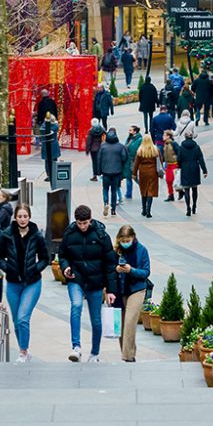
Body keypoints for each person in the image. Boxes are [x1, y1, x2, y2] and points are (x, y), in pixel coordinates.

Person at [59, 205, 119, 362]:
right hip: (76, 278)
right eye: (79, 223)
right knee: (76, 305)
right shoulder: (70, 233)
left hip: (96, 281)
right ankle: (76, 347)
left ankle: (95, 352)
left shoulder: (101, 235)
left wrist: (111, 290)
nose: (82, 226)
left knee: (96, 319)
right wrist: (65, 268)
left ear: (90, 220)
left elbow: (110, 263)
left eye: (85, 223)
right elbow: (62, 254)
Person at [0, 204, 49, 362]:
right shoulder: (6, 235)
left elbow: (46, 258)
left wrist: (35, 269)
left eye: (25, 216)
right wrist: (8, 269)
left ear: (29, 217)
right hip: (13, 283)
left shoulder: (37, 235)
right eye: (20, 216)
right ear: (15, 218)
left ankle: (23, 352)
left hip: (32, 283)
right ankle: (23, 349)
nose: (23, 219)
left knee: (23, 317)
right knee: (16, 321)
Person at [115, 224, 151, 362]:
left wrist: (131, 270)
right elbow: (108, 267)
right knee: (121, 324)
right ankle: (127, 351)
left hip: (137, 288)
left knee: (130, 321)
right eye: (122, 241)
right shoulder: (116, 251)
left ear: (133, 237)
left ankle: (128, 356)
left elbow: (146, 271)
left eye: (127, 240)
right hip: (120, 289)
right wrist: (116, 269)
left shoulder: (141, 250)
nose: (125, 243)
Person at [99, 127, 129, 217]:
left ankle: (105, 203)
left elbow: (98, 159)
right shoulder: (120, 146)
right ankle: (113, 209)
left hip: (106, 172)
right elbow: (124, 158)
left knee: (105, 189)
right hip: (117, 172)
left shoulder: (103, 146)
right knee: (114, 190)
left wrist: (99, 170)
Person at [177, 129, 208, 216]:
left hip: (185, 168)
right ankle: (194, 205)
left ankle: (188, 208)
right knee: (194, 188)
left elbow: (179, 159)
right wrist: (204, 170)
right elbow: (201, 159)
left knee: (186, 189)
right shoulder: (196, 147)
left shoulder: (181, 147)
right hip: (195, 168)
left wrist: (179, 166)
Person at [134, 134, 163, 218]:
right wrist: (160, 173)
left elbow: (136, 163)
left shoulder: (140, 150)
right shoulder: (155, 149)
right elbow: (160, 161)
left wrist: (134, 174)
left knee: (144, 190)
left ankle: (143, 209)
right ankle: (148, 211)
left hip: (143, 171)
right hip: (153, 172)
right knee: (151, 190)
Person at [123, 125, 142, 201]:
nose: (129, 132)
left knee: (136, 177)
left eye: (131, 130)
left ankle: (144, 190)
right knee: (128, 177)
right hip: (128, 161)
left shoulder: (139, 139)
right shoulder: (129, 138)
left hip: (134, 161)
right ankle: (128, 193)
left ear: (135, 131)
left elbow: (135, 149)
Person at [161, 130, 181, 202]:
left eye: (164, 135)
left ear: (168, 136)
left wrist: (179, 163)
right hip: (168, 164)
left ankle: (180, 191)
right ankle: (171, 194)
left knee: (175, 180)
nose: (163, 137)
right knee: (168, 180)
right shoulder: (165, 144)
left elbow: (179, 152)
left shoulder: (173, 144)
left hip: (174, 164)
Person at [40, 113, 61, 183]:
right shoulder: (56, 126)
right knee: (54, 160)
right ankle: (53, 173)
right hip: (54, 145)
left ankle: (49, 174)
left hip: (46, 145)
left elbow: (42, 131)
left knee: (47, 161)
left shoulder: (44, 127)